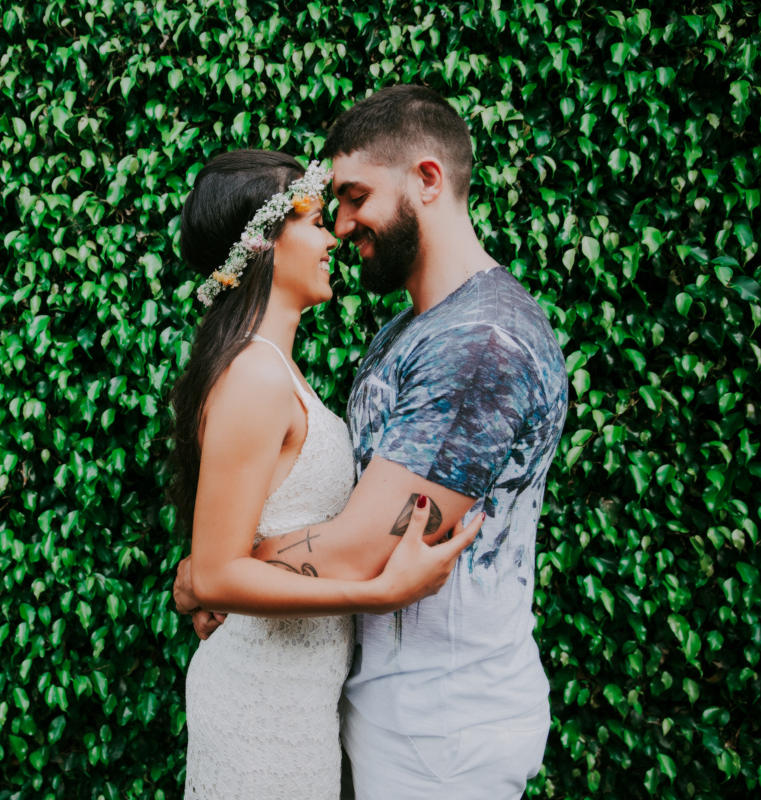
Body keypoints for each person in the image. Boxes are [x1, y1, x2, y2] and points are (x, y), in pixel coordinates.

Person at [175, 85, 569, 799]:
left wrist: (217, 567)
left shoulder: (481, 346)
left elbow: (363, 546)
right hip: (368, 705)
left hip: (441, 724)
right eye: (327, 210)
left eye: (354, 196)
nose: (343, 223)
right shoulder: (404, 336)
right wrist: (216, 561)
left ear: (426, 179)